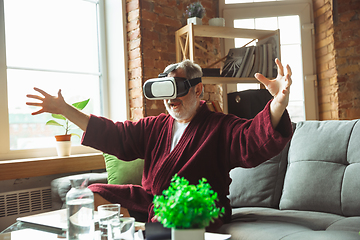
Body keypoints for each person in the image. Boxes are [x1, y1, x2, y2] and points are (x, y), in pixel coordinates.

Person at [26, 58, 293, 231]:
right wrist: (64, 109)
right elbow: (113, 134)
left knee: (172, 216)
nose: (170, 99)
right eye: (165, 91)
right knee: (93, 193)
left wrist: (278, 103)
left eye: (178, 89)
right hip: (154, 202)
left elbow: (252, 139)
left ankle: (147, 230)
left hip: (197, 207)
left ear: (198, 90)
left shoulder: (220, 126)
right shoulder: (154, 126)